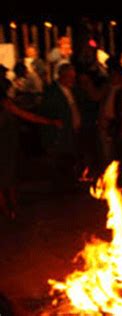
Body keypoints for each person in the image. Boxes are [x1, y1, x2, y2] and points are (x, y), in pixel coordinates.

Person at [0, 78, 61, 219]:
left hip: (7, 148)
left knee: (6, 180)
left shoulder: (6, 105)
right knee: (9, 179)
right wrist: (50, 122)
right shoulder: (6, 104)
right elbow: (27, 115)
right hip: (6, 148)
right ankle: (12, 209)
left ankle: (7, 210)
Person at [41, 63, 80, 192]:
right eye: (71, 77)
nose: (73, 80)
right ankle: (60, 189)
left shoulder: (71, 90)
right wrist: (54, 123)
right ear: (63, 76)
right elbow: (46, 112)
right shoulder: (52, 92)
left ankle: (69, 185)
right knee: (59, 161)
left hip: (70, 133)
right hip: (58, 134)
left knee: (69, 160)